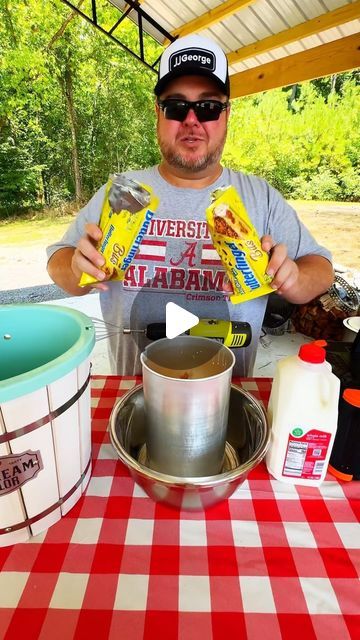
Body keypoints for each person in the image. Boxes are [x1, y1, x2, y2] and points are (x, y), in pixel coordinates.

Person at [47, 34, 334, 376]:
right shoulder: (123, 192)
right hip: (134, 392)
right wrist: (79, 270)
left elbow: (323, 268)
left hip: (228, 397)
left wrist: (295, 279)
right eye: (177, 106)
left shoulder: (261, 196)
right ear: (158, 112)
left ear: (226, 114)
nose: (192, 120)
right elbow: (58, 261)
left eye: (209, 106)